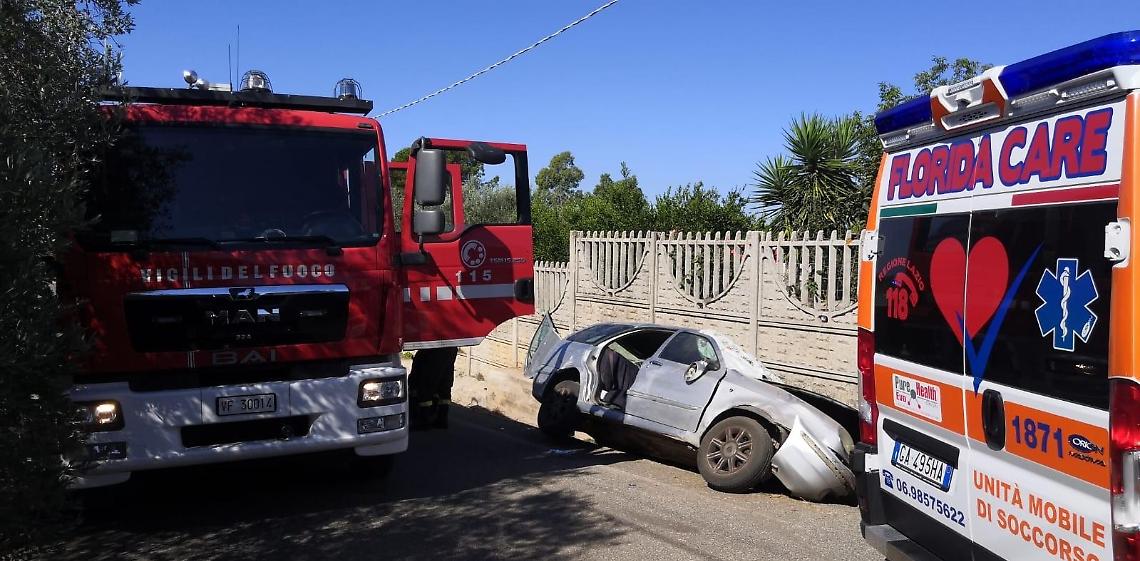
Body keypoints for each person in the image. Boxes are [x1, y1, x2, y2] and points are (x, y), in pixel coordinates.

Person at [408, 346, 459, 430]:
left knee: (427, 385)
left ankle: (424, 421)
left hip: (435, 349)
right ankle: (442, 419)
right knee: (443, 386)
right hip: (450, 348)